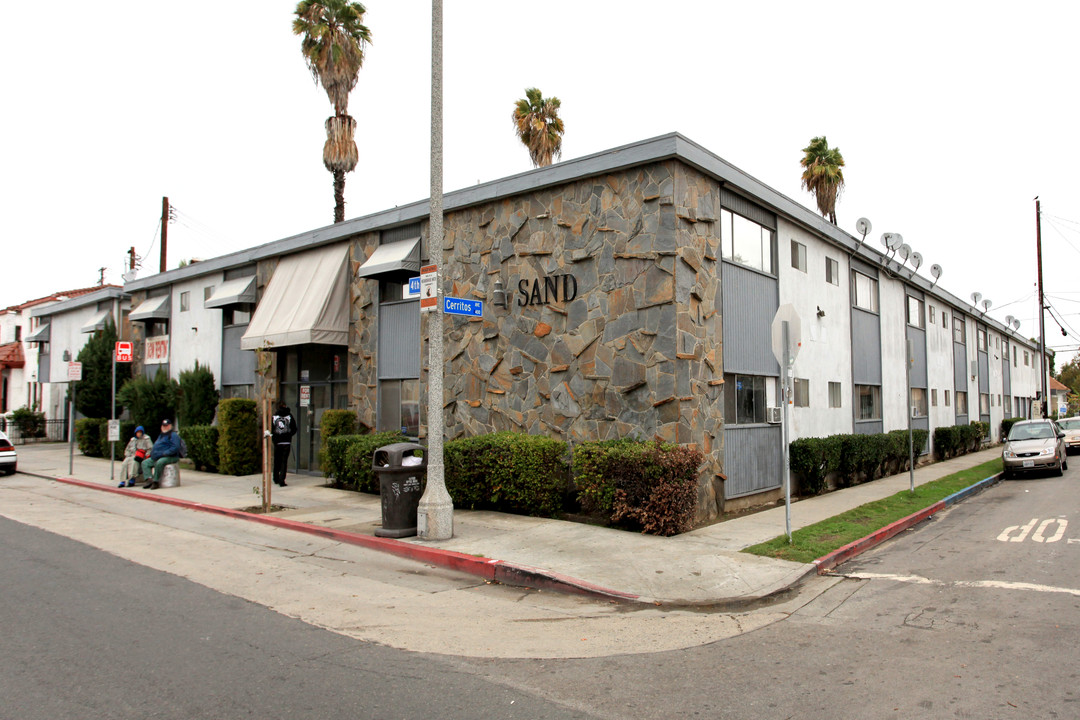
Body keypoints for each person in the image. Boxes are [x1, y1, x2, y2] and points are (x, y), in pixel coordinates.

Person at [141, 418, 182, 490]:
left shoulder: (173, 435)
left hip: (170, 456)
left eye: (166, 425)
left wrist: (165, 453)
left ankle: (156, 481)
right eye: (163, 426)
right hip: (158, 456)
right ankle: (149, 480)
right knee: (145, 463)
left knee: (160, 462)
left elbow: (175, 447)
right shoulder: (161, 435)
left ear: (170, 426)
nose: (164, 427)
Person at [268, 401, 297, 486]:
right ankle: (282, 480)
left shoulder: (274, 417)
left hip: (277, 441)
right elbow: (294, 428)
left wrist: (274, 437)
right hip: (286, 442)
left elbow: (271, 428)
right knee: (284, 461)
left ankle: (275, 478)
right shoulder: (289, 416)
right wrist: (289, 435)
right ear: (285, 406)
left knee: (277, 460)